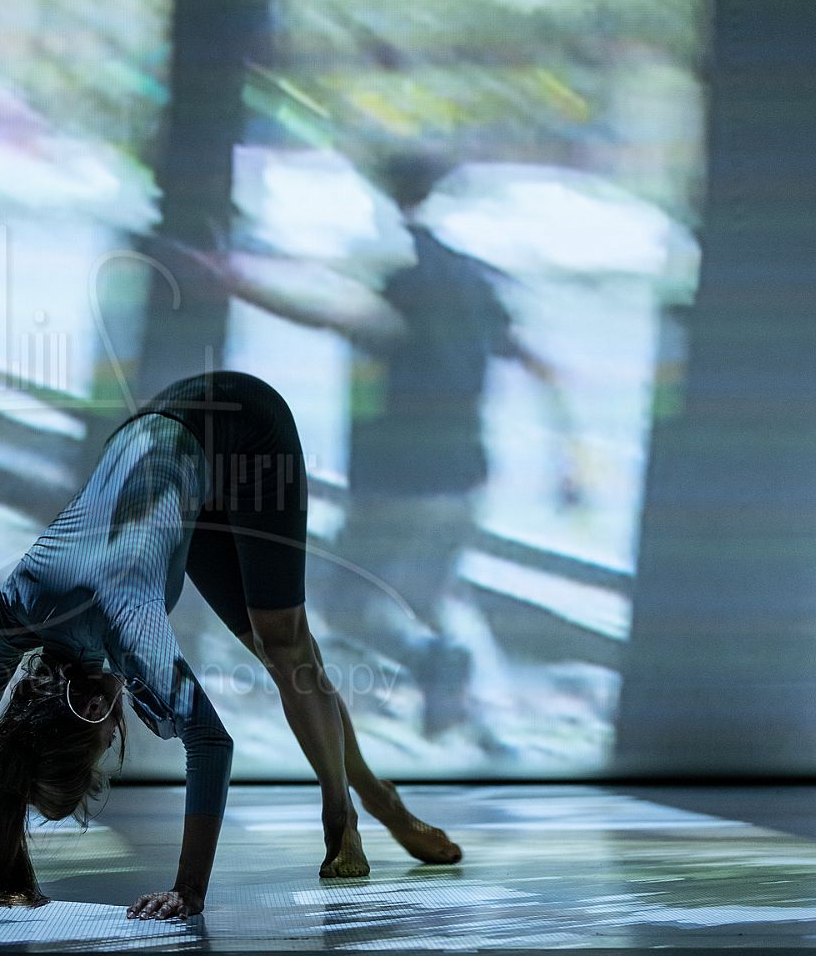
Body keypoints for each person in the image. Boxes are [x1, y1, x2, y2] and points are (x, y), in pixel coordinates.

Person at [0, 371, 461, 920]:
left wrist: (189, 891)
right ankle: (379, 797)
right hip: (164, 449)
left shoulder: (126, 622)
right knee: (280, 656)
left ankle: (347, 812)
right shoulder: (15, 612)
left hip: (243, 425)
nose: (115, 746)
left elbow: (213, 743)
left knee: (285, 646)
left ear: (93, 721)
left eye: (102, 754)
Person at [178, 152, 582, 744]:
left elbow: (330, 312)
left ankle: (433, 664)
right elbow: (542, 367)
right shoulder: (474, 280)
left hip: (398, 478)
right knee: (440, 596)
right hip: (467, 478)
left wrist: (235, 282)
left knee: (349, 604)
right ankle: (492, 732)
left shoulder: (401, 278)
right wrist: (572, 465)